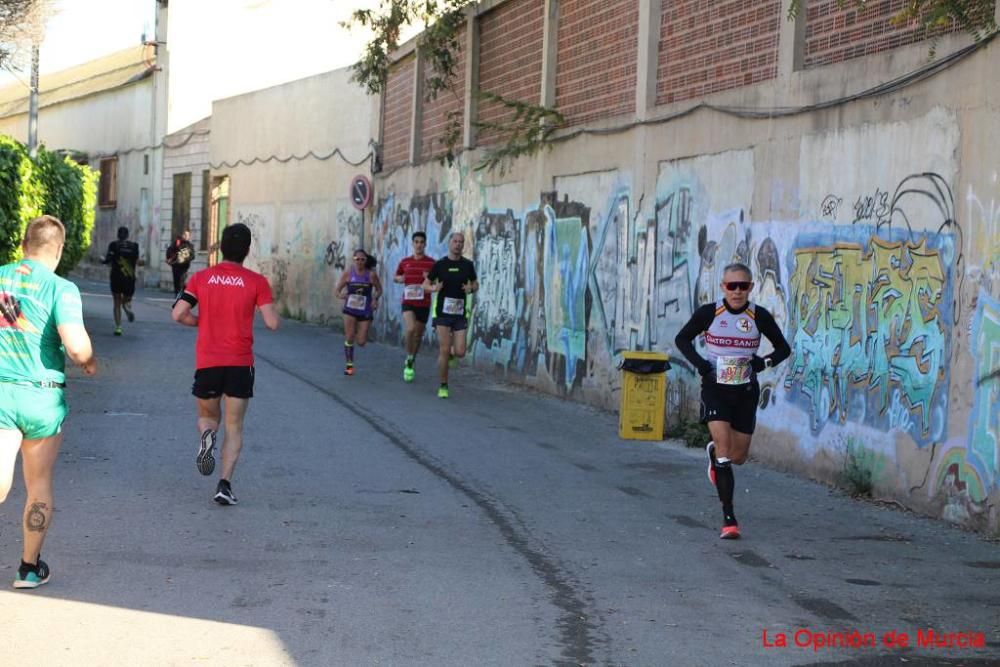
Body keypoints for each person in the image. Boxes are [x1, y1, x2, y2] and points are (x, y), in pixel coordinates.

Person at [0, 215, 98, 589]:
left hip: (1, 391)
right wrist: (89, 362)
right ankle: (27, 569)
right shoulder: (61, 288)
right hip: (41, 396)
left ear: (24, 244)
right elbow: (75, 345)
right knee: (37, 482)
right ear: (58, 250)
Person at [675, 263, 790, 540]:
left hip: (745, 391)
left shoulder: (758, 316)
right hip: (715, 388)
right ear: (722, 287)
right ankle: (729, 519)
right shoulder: (709, 313)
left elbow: (783, 348)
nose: (737, 291)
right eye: (731, 286)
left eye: (743, 286)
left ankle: (714, 455)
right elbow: (682, 339)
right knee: (727, 453)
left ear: (751, 288)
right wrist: (702, 365)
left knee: (738, 457)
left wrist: (763, 363)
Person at [171, 223, 280, 505]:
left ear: (220, 247)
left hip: (208, 362)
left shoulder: (202, 278)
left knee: (209, 417)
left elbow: (178, 313)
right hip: (240, 364)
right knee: (234, 426)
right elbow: (272, 323)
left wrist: (201, 322)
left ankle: (207, 436)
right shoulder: (257, 282)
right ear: (247, 250)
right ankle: (224, 484)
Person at [423, 232, 478, 399]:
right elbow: (425, 284)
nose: (458, 244)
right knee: (444, 349)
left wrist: (471, 289)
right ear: (449, 243)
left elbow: (475, 283)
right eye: (455, 241)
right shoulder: (440, 265)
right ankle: (443, 385)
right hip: (442, 313)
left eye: (461, 242)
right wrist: (434, 289)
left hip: (460, 313)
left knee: (460, 351)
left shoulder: (468, 265)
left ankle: (450, 355)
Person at [394, 231, 435, 382]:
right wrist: (400, 278)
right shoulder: (405, 262)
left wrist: (429, 280)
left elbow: (437, 282)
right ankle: (409, 356)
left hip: (424, 303)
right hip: (408, 302)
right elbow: (396, 276)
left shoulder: (432, 263)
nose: (419, 245)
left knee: (418, 336)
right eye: (416, 242)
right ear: (413, 244)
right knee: (410, 329)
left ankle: (411, 361)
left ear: (425, 244)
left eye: (421, 242)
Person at [335, 250, 382, 376]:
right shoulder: (348, 273)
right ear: (353, 259)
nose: (360, 262)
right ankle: (349, 365)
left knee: (361, 342)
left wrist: (374, 298)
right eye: (357, 259)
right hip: (350, 309)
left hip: (365, 310)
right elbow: (337, 291)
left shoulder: (371, 275)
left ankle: (356, 330)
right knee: (349, 336)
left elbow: (379, 289)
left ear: (366, 261)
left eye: (363, 259)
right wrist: (342, 295)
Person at [102, 226, 140, 336]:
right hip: (129, 279)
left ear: (118, 235)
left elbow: (108, 260)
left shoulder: (113, 245)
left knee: (116, 302)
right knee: (126, 299)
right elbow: (137, 260)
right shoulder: (134, 246)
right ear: (128, 235)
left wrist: (103, 261)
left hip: (116, 278)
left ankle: (118, 327)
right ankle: (126, 307)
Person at [166, 229, 195, 297]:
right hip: (176, 266)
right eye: (184, 235)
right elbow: (169, 250)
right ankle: (177, 293)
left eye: (187, 235)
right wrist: (170, 258)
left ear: (189, 237)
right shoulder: (177, 242)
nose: (185, 236)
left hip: (184, 266)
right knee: (176, 280)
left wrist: (186, 258)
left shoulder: (190, 245)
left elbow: (192, 256)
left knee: (182, 279)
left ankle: (180, 293)